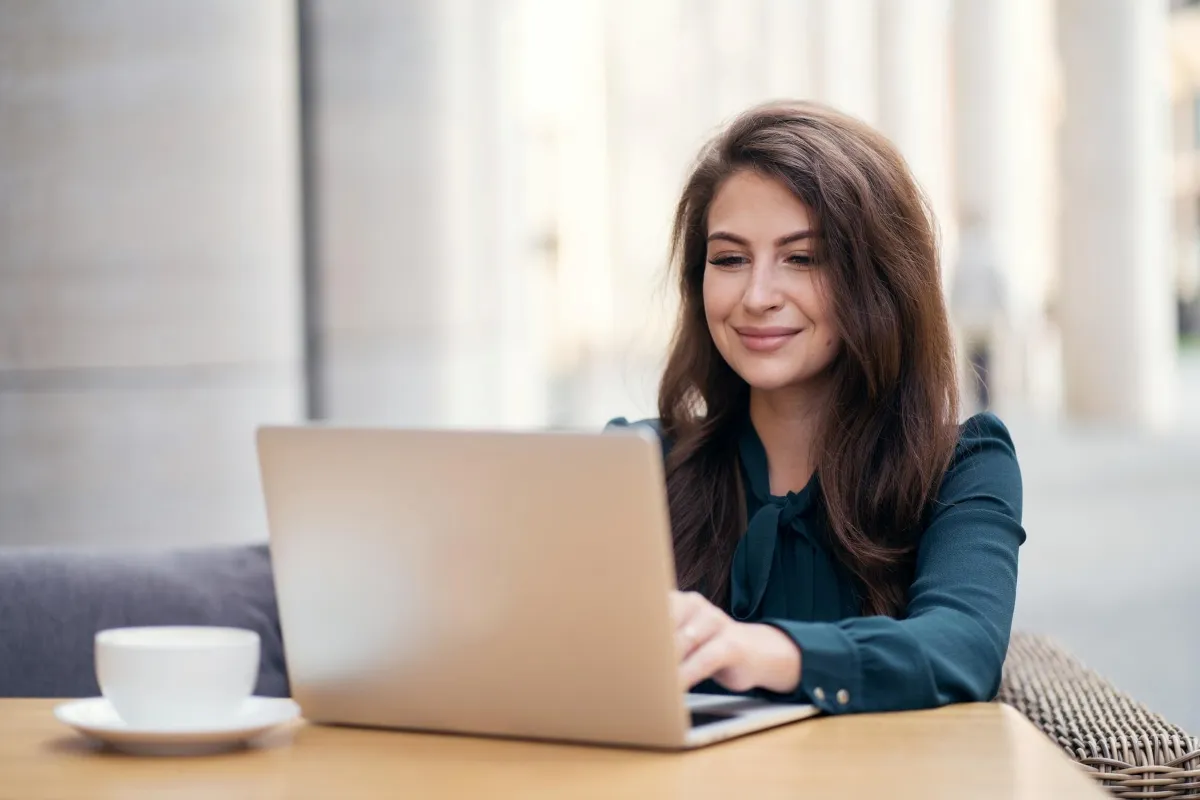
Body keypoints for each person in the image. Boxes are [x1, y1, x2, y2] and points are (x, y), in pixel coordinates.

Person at [607, 101, 1025, 716]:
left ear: (878, 280)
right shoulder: (636, 463)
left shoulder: (964, 464)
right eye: (729, 259)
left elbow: (964, 646)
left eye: (802, 258)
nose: (757, 296)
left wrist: (758, 650)